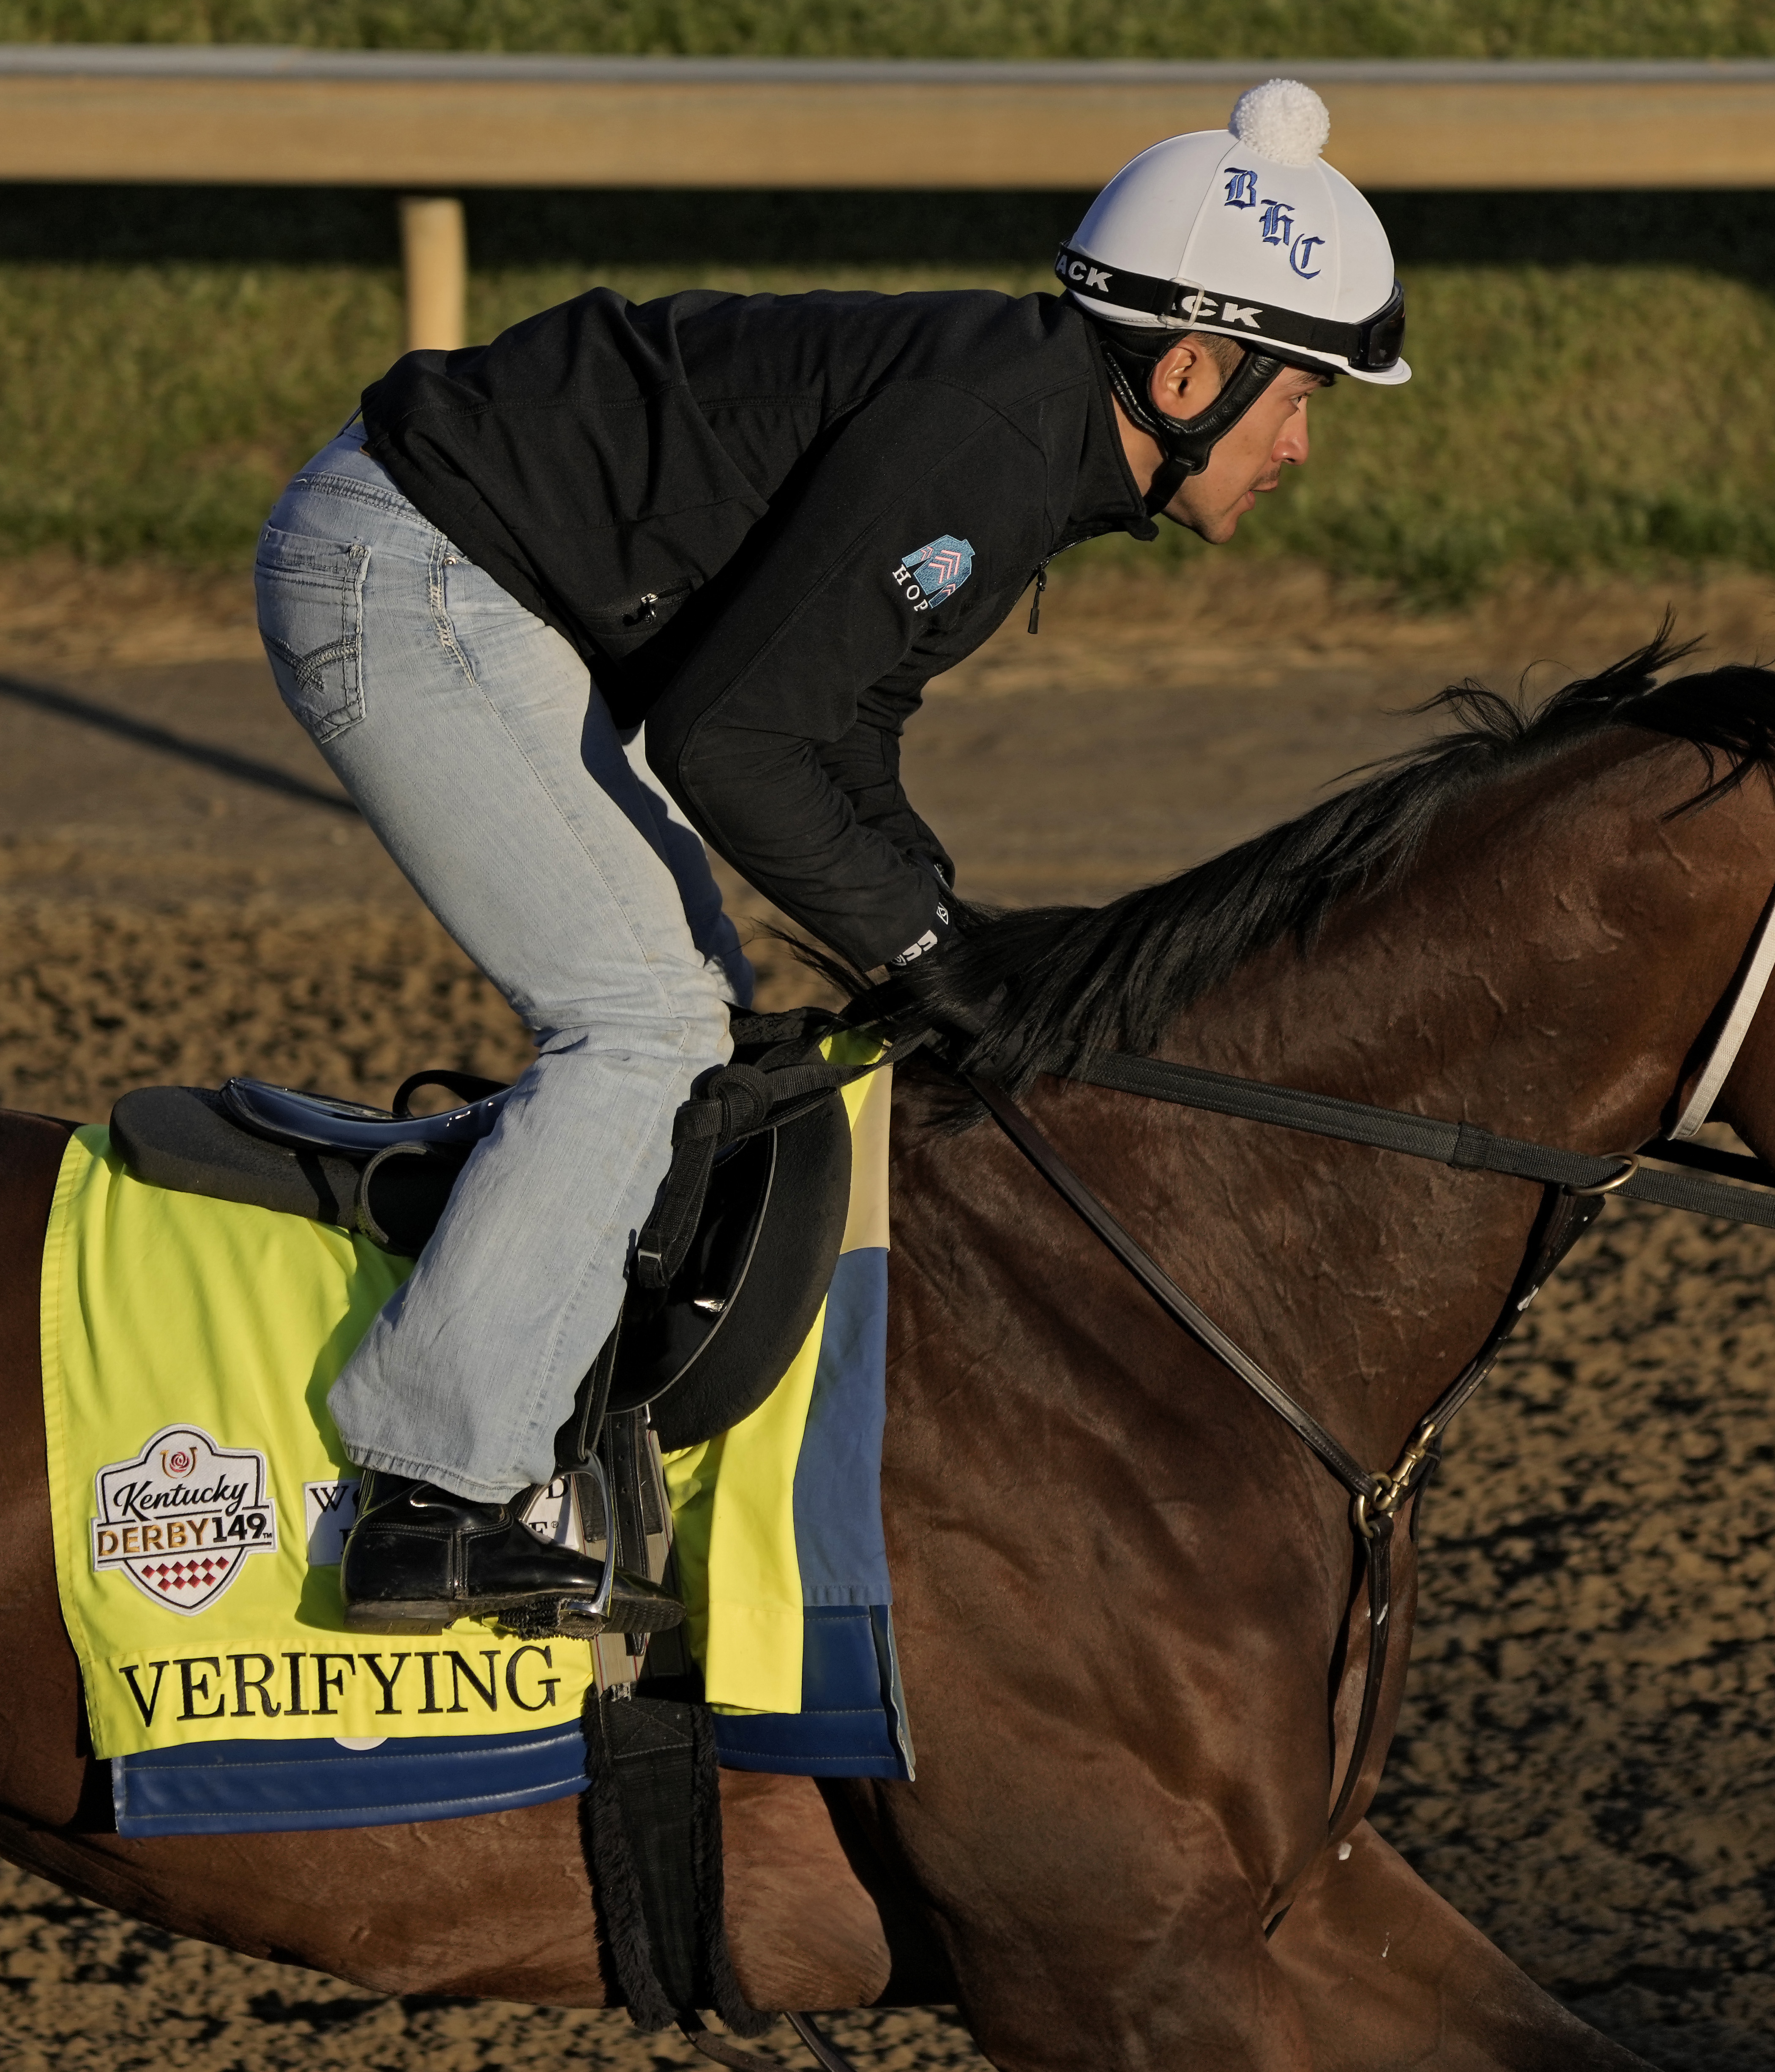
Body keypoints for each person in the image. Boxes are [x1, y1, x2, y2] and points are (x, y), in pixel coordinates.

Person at [251, 78, 1412, 1638]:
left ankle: (529, 1360)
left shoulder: (1029, 432)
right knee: (644, 1023)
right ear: (1191, 368)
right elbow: (731, 744)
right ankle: (428, 1499)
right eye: (1301, 394)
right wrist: (932, 962)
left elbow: (838, 723)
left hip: (479, 567)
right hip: (415, 570)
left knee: (695, 1018)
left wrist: (945, 937)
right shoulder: (990, 437)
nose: (1303, 445)